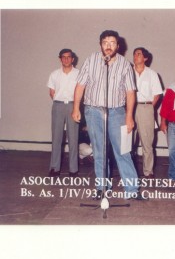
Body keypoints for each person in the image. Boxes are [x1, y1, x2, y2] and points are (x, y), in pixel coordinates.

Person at [72, 30, 147, 201]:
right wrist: (76, 108)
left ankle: (132, 189)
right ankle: (101, 187)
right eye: (105, 42)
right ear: (100, 44)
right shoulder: (91, 60)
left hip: (116, 112)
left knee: (123, 151)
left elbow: (130, 92)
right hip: (93, 111)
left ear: (118, 46)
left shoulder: (125, 65)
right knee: (99, 151)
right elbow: (80, 86)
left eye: (112, 42)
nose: (108, 46)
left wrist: (129, 116)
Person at [47, 48, 79, 177]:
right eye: (63, 57)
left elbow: (81, 91)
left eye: (68, 57)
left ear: (72, 59)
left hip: (73, 106)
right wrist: (60, 102)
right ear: (60, 59)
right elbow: (52, 92)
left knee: (73, 138)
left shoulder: (79, 74)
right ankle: (54, 168)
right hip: (58, 106)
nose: (66, 59)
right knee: (56, 138)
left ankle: (73, 169)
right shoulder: (54, 74)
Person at [133, 47, 163, 178]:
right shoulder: (128, 72)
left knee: (147, 142)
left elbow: (157, 94)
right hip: (130, 108)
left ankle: (148, 171)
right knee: (128, 142)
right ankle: (129, 171)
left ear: (145, 58)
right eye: (134, 54)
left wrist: (149, 107)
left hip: (145, 108)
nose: (135, 56)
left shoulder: (152, 74)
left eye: (138, 54)